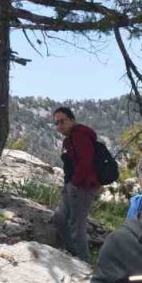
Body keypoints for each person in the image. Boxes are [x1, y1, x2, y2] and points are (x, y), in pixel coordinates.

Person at [52, 106, 101, 260]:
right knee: (59, 218)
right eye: (57, 123)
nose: (60, 126)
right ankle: (72, 253)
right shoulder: (70, 139)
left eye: (63, 121)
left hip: (82, 187)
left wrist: (75, 182)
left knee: (76, 224)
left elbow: (86, 161)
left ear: (72, 120)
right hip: (72, 186)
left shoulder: (79, 136)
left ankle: (83, 261)